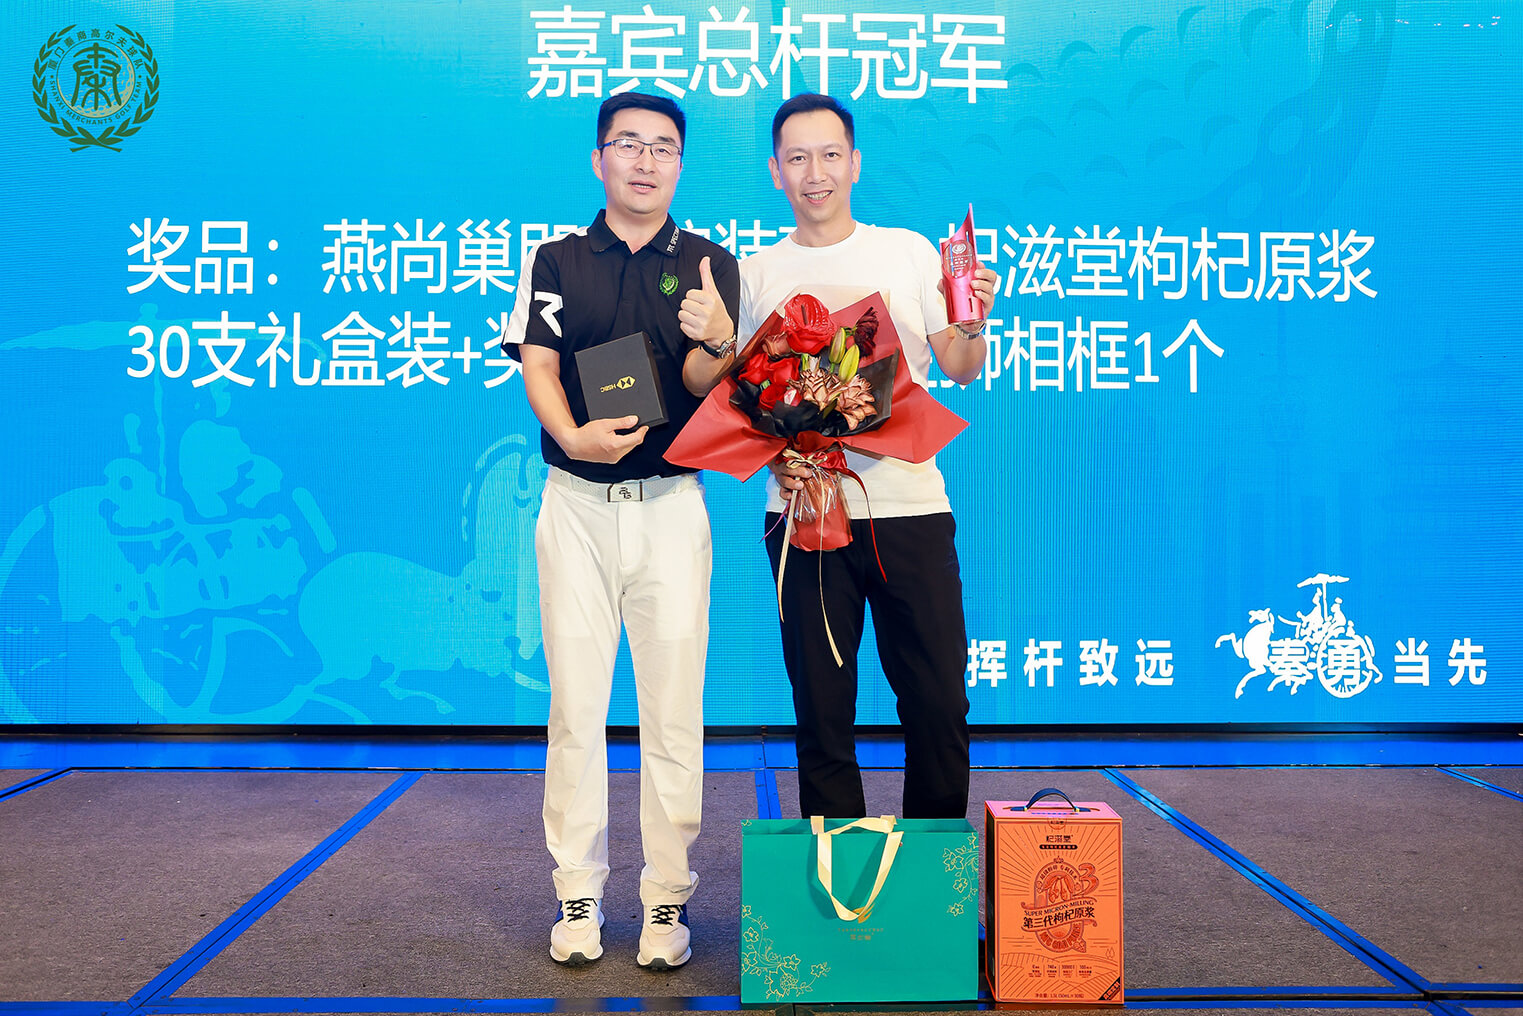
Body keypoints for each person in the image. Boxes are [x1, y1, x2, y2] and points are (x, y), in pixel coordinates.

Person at [502, 91, 739, 970]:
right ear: (598, 159)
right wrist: (571, 436)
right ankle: (578, 891)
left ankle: (666, 899)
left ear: (680, 164)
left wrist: (720, 339)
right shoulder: (557, 259)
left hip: (671, 509)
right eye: (627, 144)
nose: (645, 160)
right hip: (574, 506)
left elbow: (703, 380)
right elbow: (539, 362)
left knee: (673, 714)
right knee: (576, 709)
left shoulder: (709, 263)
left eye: (662, 147)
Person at [738, 93, 997, 821]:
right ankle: (836, 875)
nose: (814, 173)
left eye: (829, 155)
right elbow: (742, 398)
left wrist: (972, 320)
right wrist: (774, 458)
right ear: (776, 171)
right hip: (804, 515)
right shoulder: (755, 272)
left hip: (910, 508)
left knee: (937, 704)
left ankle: (933, 878)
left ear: (854, 163)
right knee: (822, 712)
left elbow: (960, 367)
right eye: (797, 158)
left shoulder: (907, 251)